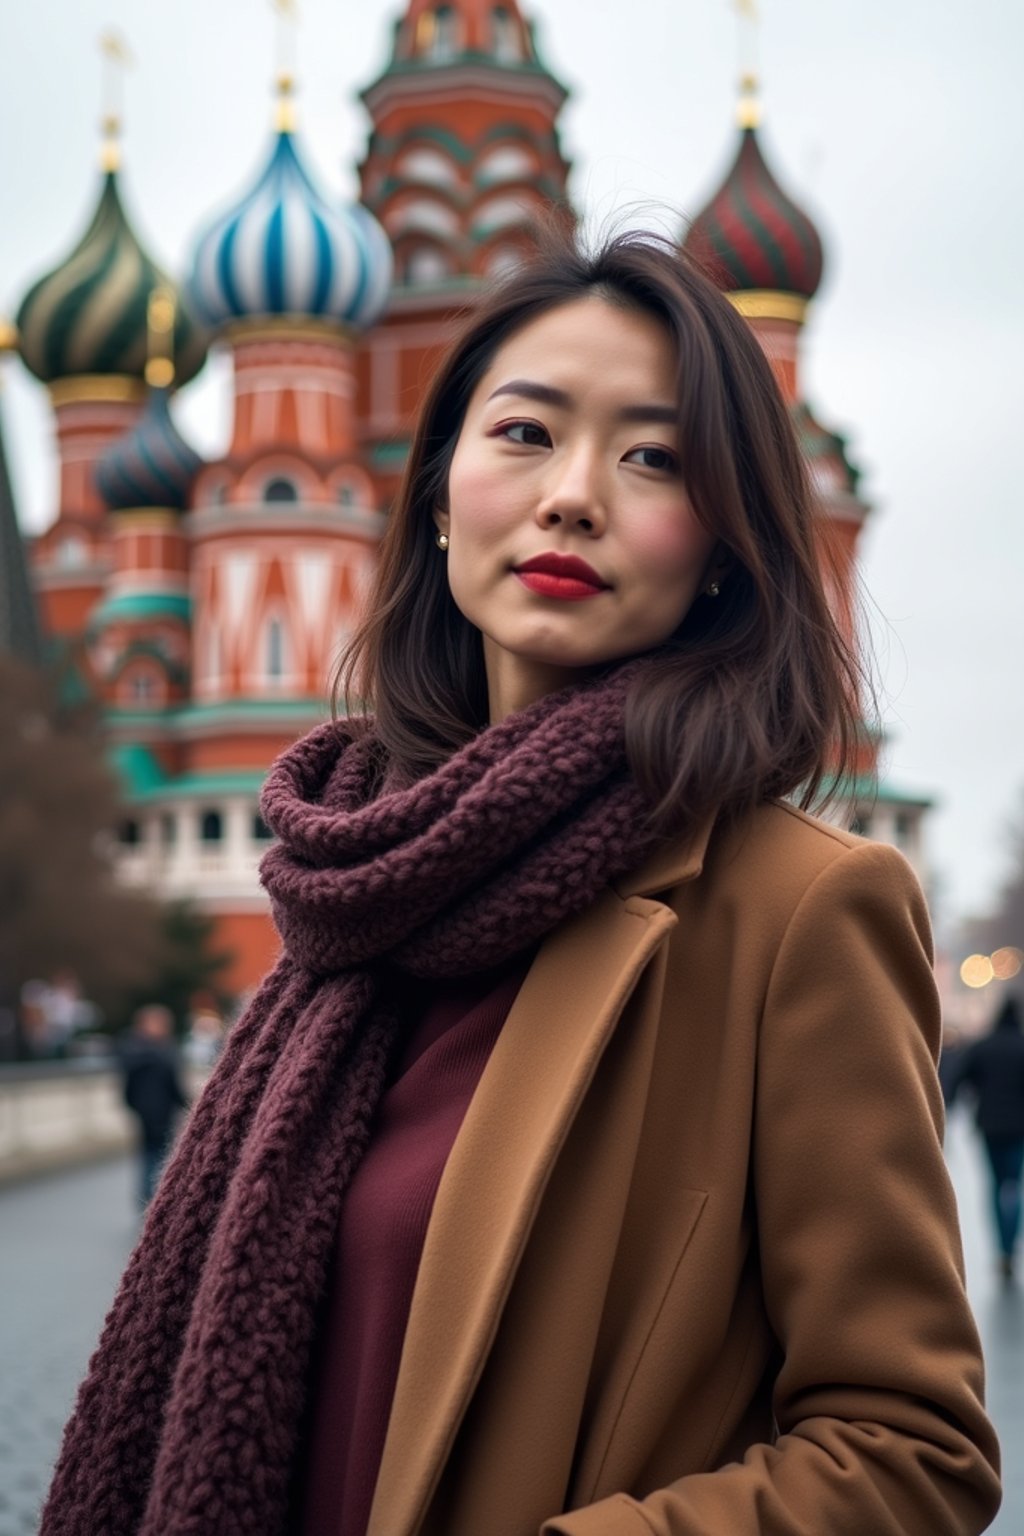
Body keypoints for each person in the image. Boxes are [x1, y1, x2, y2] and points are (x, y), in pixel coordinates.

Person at [41, 231, 1000, 1535]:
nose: (573, 496)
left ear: (722, 546)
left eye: (654, 456)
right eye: (526, 433)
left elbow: (910, 1451)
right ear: (437, 500)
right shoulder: (354, 895)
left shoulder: (796, 914)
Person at [954, 995, 1024, 1281]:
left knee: (995, 1186)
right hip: (1019, 1128)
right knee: (1014, 1185)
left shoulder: (983, 1047)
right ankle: (1011, 1245)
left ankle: (1001, 1248)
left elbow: (959, 1079)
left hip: (990, 1127)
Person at [119, 1003, 189, 1208]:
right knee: (156, 1154)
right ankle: (153, 1197)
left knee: (151, 1154)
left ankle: (148, 1196)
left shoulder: (134, 1050)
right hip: (156, 1110)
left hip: (149, 1109)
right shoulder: (161, 1052)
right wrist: (185, 1104)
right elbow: (173, 1084)